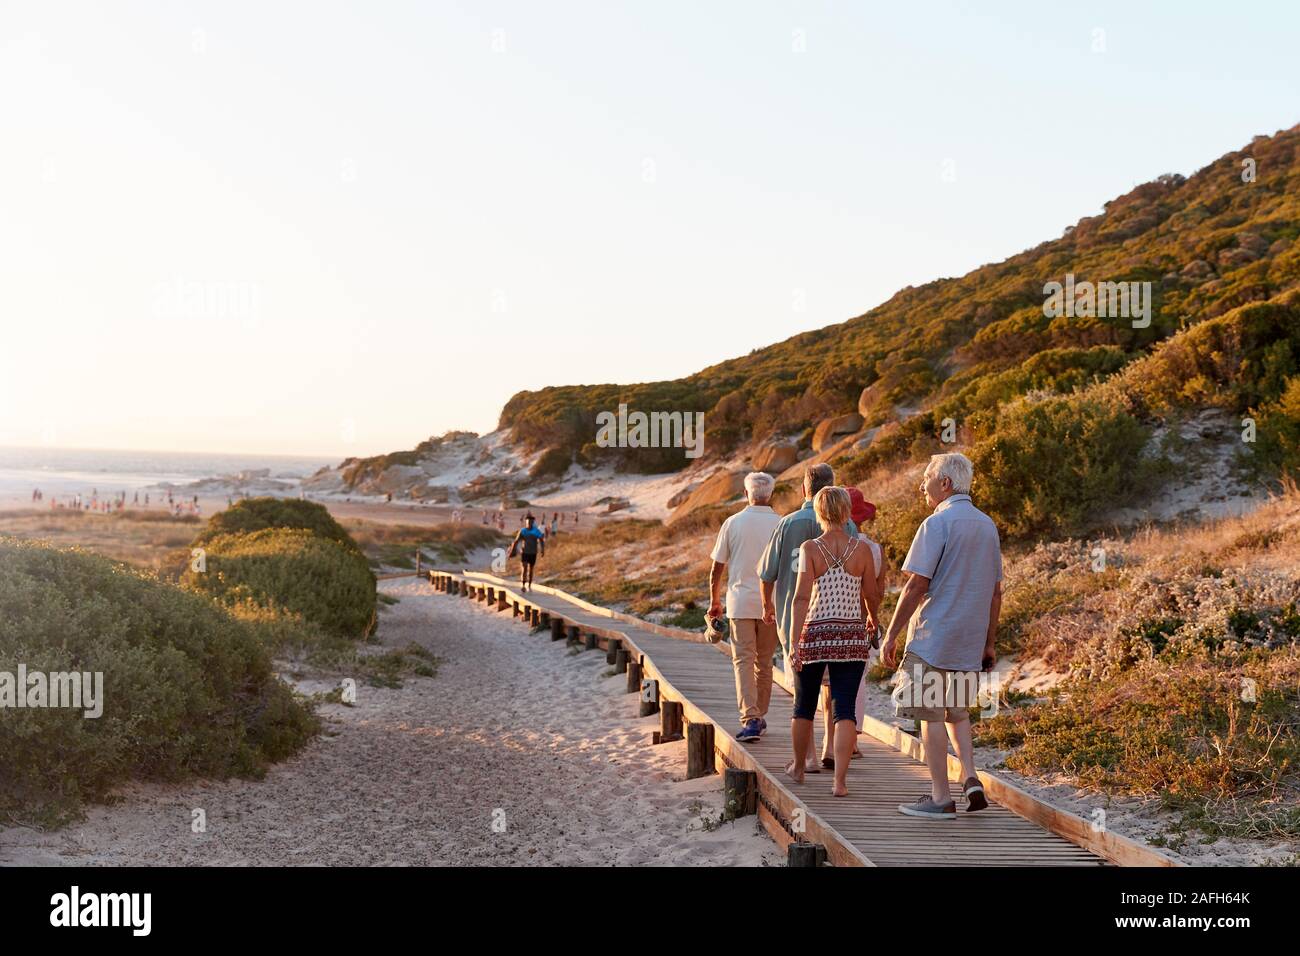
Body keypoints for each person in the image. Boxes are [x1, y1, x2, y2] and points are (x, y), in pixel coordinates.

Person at [881, 452, 1002, 820]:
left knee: (930, 715)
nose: (923, 486)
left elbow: (917, 584)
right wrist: (989, 642)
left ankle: (940, 797)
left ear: (945, 483)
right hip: (969, 640)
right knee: (958, 713)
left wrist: (891, 635)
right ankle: (970, 776)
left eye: (927, 479)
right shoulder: (987, 525)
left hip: (934, 637)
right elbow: (996, 591)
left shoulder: (937, 523)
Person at [758, 462, 857, 773]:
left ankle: (809, 758)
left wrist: (767, 605)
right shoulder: (849, 527)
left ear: (804, 489)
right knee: (833, 690)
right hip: (839, 620)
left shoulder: (788, 524)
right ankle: (831, 747)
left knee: (804, 692)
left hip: (798, 620)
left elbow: (767, 572)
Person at [785, 486, 878, 797]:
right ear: (846, 511)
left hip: (815, 633)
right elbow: (871, 594)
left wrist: (793, 639)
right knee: (844, 709)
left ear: (819, 513)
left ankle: (799, 767)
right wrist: (872, 618)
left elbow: (800, 598)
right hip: (850, 635)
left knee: (804, 705)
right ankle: (839, 782)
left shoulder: (810, 548)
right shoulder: (862, 549)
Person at [707, 472, 782, 742]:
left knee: (743, 661)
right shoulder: (781, 524)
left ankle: (750, 718)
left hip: (739, 602)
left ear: (745, 493)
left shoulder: (733, 522)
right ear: (770, 494)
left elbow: (717, 567)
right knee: (764, 663)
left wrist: (715, 600)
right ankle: (759, 715)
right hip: (771, 604)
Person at [815, 486, 885, 766]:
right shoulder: (873, 549)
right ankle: (851, 741)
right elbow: (877, 592)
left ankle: (829, 743)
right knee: (856, 684)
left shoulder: (818, 545)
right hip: (858, 624)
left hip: (828, 622)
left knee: (828, 686)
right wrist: (874, 618)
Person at [508, 513, 546, 590]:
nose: (529, 523)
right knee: (524, 567)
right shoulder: (523, 531)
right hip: (524, 552)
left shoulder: (536, 531)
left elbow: (541, 540)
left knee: (531, 569)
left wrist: (542, 550)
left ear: (533, 522)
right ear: (526, 522)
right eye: (528, 522)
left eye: (531, 522)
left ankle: (529, 584)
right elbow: (516, 541)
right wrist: (512, 551)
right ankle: (523, 585)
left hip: (533, 552)